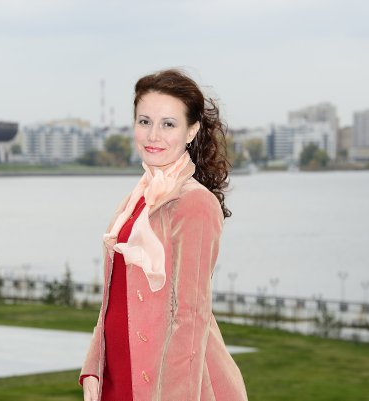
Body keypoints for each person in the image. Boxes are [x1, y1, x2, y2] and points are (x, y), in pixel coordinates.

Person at [79, 69, 248, 401]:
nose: (153, 135)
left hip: (161, 383)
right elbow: (112, 298)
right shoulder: (134, 201)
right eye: (144, 121)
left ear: (191, 131)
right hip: (116, 377)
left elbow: (191, 317)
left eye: (168, 124)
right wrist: (93, 368)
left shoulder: (195, 203)